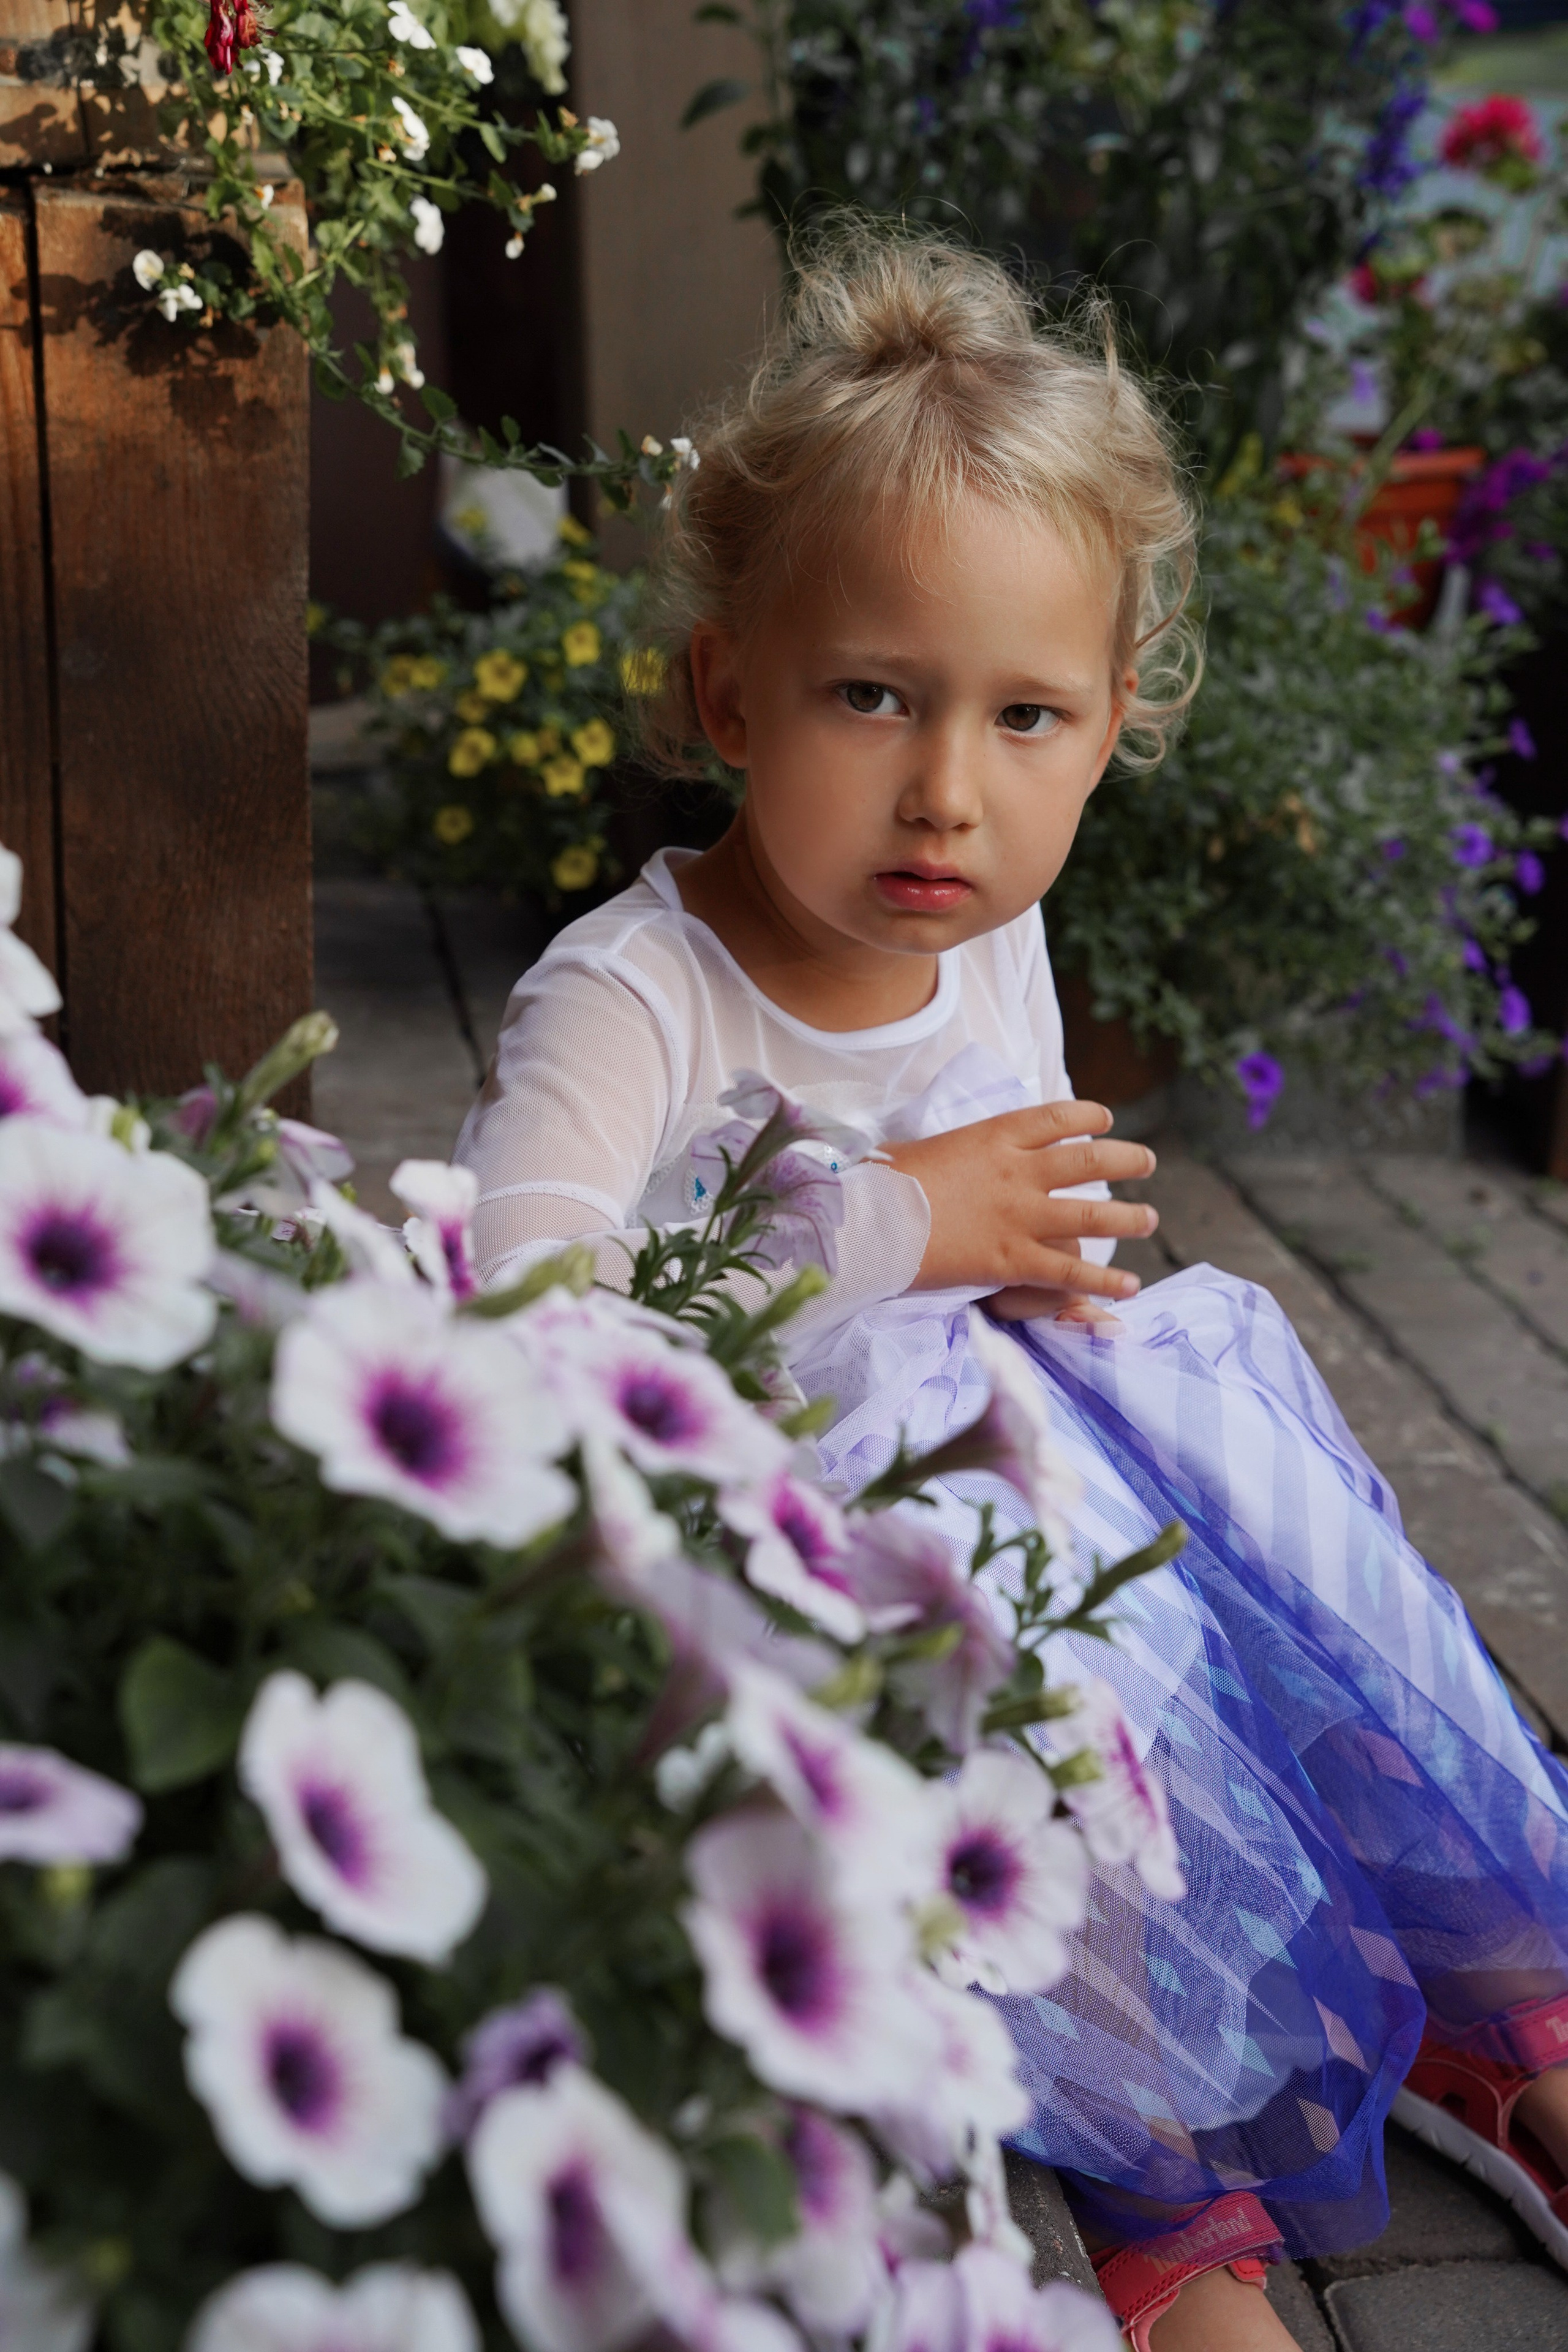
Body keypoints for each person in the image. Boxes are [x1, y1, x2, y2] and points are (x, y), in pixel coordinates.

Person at [455, 224, 1568, 2350]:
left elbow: (1027, 1194)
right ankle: (1168, 2177)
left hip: (1013, 1429)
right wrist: (891, 1228)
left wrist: (1066, 1317)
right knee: (1060, 1681)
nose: (945, 790)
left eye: (1023, 715)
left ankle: (1476, 2014)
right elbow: (528, 1330)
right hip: (779, 1538)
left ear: (1110, 728)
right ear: (727, 693)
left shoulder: (984, 920)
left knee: (1279, 1565)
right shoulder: (634, 1000)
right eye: (871, 695)